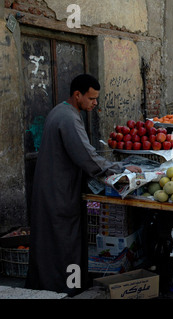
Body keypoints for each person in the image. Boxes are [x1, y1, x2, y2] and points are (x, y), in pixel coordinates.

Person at [25, 74, 142, 296]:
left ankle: (50, 287)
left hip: (54, 190)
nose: (95, 103)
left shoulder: (61, 111)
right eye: (91, 98)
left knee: (52, 245)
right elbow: (86, 157)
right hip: (60, 194)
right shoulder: (68, 118)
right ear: (77, 95)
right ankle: (68, 289)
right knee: (66, 246)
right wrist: (119, 169)